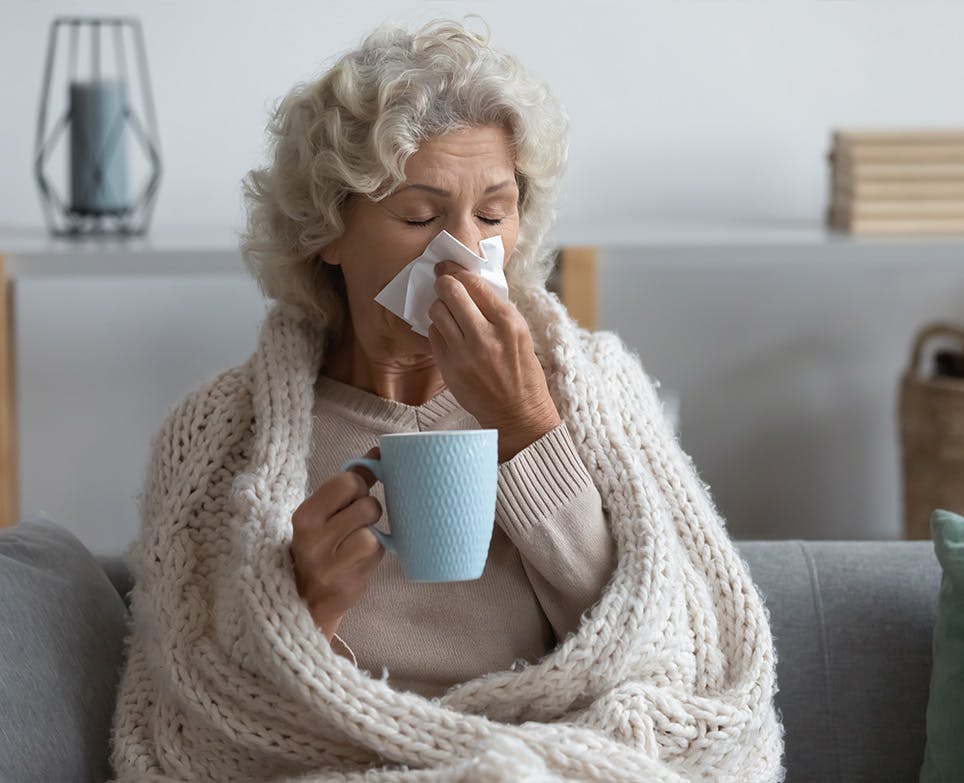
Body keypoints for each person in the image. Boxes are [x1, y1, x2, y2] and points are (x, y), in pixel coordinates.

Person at [110, 18, 784, 782]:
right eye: (420, 217)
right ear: (327, 230)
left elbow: (672, 653)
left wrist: (527, 424)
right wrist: (301, 613)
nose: (462, 253)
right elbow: (206, 719)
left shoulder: (589, 388)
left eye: (492, 214)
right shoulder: (220, 435)